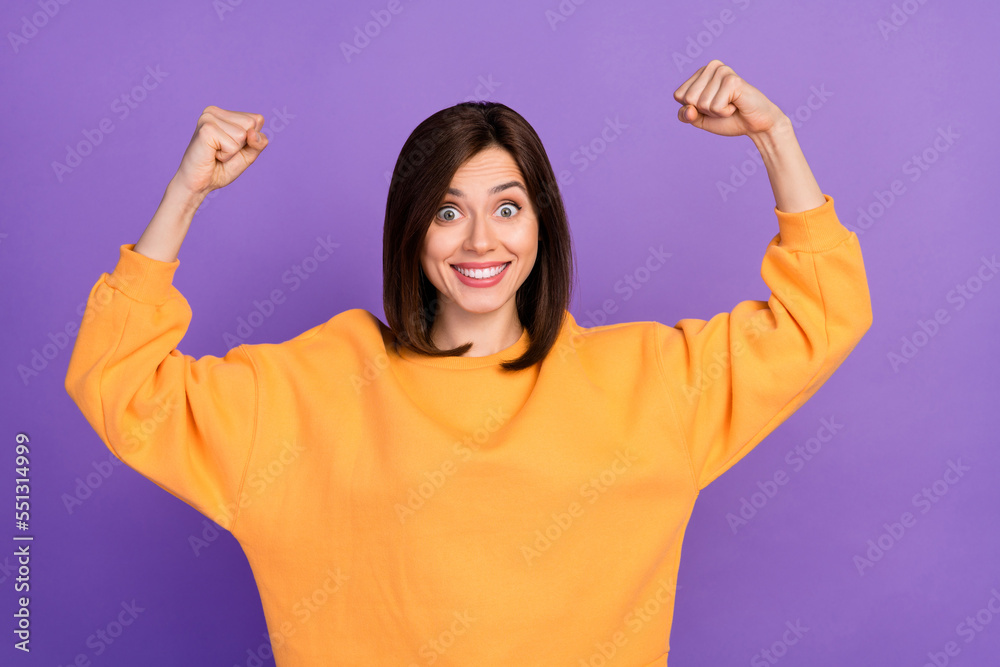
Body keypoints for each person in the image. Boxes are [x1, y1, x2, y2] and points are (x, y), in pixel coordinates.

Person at [64, 60, 872, 666]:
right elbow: (120, 380)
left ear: (539, 227)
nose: (481, 241)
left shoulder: (649, 382)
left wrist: (775, 137)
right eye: (449, 211)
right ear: (413, 230)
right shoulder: (316, 386)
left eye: (507, 208)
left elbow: (822, 319)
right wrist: (184, 196)